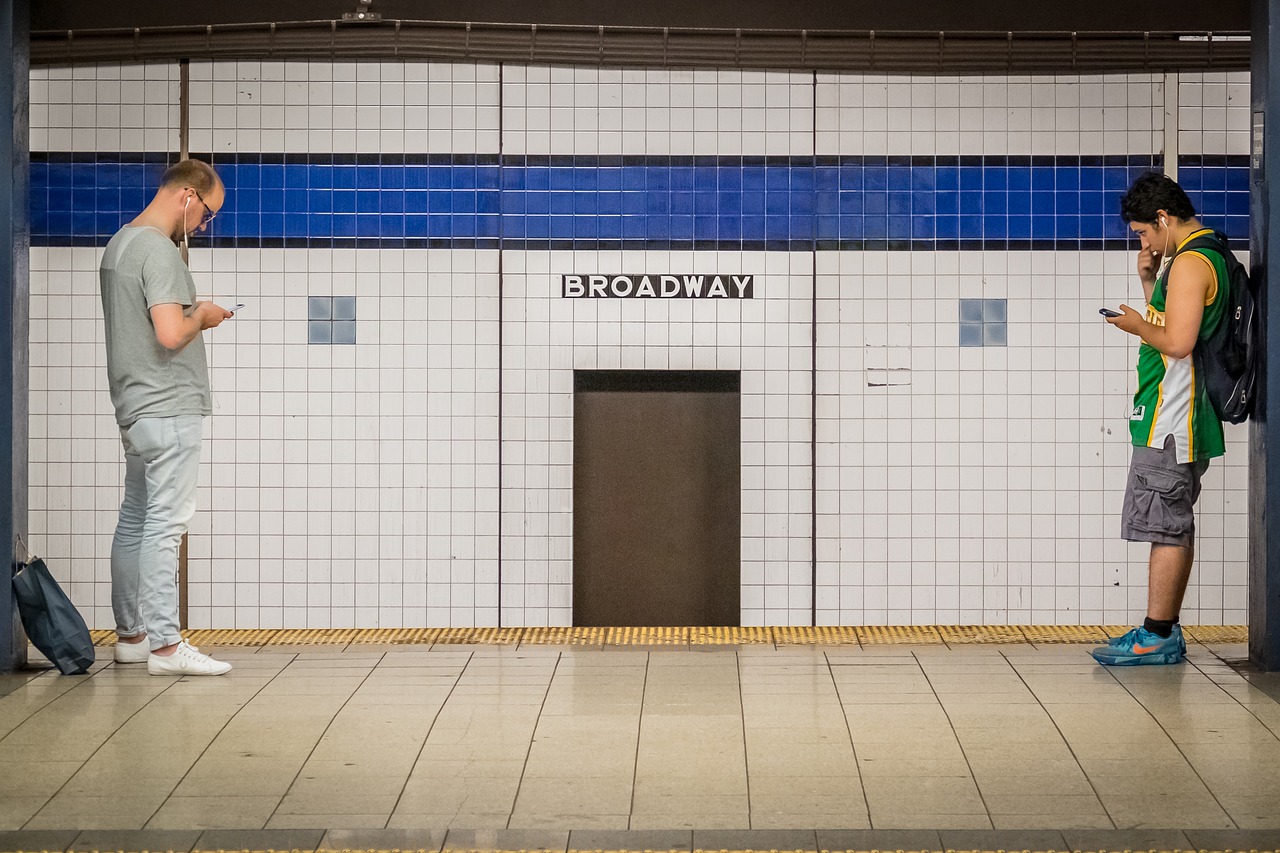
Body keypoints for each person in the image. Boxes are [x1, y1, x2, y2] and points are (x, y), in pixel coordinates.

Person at [100, 159, 235, 676]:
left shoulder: (120, 243)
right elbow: (170, 334)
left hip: (134, 408)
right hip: (169, 406)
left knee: (135, 518)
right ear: (186, 196)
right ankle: (165, 647)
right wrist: (202, 313)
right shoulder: (159, 251)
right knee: (166, 524)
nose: (204, 225)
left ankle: (131, 637)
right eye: (207, 213)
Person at [1093, 171, 1233, 666]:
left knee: (1166, 526)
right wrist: (1151, 280)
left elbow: (1178, 343)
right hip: (1172, 415)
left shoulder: (1194, 263)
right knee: (1168, 524)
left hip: (1173, 418)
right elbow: (1176, 325)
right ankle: (1160, 629)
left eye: (1144, 232)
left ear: (1162, 217)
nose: (1144, 241)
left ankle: (1157, 635)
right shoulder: (1198, 255)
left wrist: (1134, 325)